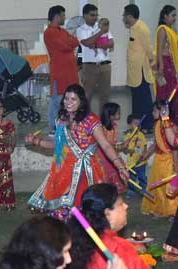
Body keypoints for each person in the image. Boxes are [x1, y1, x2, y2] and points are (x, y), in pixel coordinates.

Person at [27, 84, 128, 219]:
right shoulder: (62, 120)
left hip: (88, 172)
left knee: (87, 212)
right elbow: (58, 146)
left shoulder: (91, 120)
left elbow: (106, 145)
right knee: (63, 213)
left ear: (81, 102)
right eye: (66, 98)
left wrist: (120, 166)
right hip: (65, 172)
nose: (68, 102)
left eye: (73, 99)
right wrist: (36, 141)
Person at [45, 6, 81, 133]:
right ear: (57, 16)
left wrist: (69, 43)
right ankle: (53, 127)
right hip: (59, 75)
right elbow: (64, 46)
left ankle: (67, 125)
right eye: (63, 15)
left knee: (70, 100)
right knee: (57, 101)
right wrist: (69, 43)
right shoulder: (49, 32)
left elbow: (75, 42)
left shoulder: (62, 31)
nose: (64, 18)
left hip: (70, 74)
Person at [143, 99, 178, 217]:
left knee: (170, 186)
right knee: (158, 186)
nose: (152, 113)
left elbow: (174, 146)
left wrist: (175, 164)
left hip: (169, 160)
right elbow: (156, 143)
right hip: (158, 159)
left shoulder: (171, 125)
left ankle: (172, 211)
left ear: (163, 111)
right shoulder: (156, 125)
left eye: (154, 111)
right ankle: (158, 208)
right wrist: (147, 153)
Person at [124, 4, 156, 131]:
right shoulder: (133, 28)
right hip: (134, 71)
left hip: (141, 72)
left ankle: (148, 125)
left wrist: (153, 63)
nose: (123, 18)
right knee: (136, 99)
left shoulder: (142, 28)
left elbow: (148, 49)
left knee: (144, 100)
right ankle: (136, 126)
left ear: (129, 16)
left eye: (124, 15)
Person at [77, 4, 114, 114]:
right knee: (87, 96)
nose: (95, 18)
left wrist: (96, 45)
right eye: (92, 15)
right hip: (89, 67)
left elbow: (111, 44)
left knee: (105, 95)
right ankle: (86, 119)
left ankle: (104, 120)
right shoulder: (81, 30)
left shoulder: (101, 26)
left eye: (96, 15)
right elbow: (87, 42)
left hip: (105, 65)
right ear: (84, 15)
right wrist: (101, 32)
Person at [99, 102, 128, 193]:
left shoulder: (114, 126)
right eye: (118, 112)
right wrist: (121, 146)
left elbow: (113, 144)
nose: (120, 114)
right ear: (111, 115)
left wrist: (121, 146)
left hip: (113, 154)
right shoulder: (101, 128)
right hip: (104, 157)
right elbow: (107, 146)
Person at [155, 6, 178, 117]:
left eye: (175, 15)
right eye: (173, 15)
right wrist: (161, 66)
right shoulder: (162, 29)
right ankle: (164, 117)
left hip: (171, 63)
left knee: (173, 90)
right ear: (165, 16)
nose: (175, 18)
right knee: (167, 91)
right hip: (165, 64)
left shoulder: (171, 30)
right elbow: (159, 49)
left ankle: (172, 116)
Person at [123, 113, 152, 199]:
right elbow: (124, 150)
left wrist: (145, 153)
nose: (138, 126)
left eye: (139, 124)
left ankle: (143, 189)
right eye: (135, 123)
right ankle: (131, 190)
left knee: (142, 177)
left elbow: (145, 146)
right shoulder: (127, 137)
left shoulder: (141, 135)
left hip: (141, 162)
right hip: (132, 163)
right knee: (131, 178)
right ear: (130, 124)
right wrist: (130, 150)